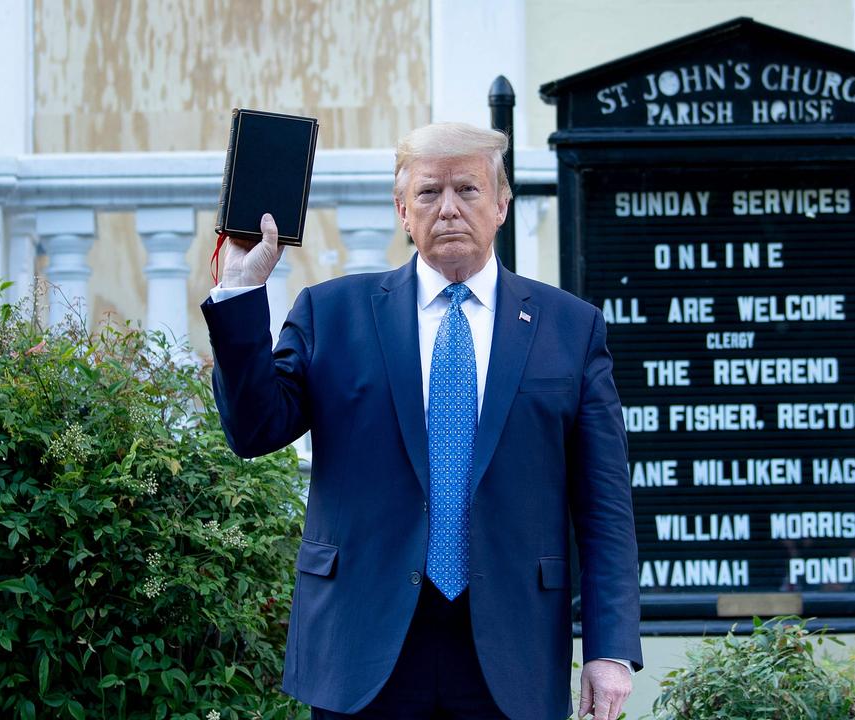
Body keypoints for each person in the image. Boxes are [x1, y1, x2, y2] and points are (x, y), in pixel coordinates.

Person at [201, 122, 642, 719]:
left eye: (468, 189)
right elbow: (254, 431)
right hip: (361, 645)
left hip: (512, 649)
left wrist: (610, 649)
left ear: (502, 205)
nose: (450, 209)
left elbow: (605, 504)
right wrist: (241, 290)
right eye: (430, 193)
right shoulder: (333, 314)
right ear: (402, 210)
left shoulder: (571, 328)